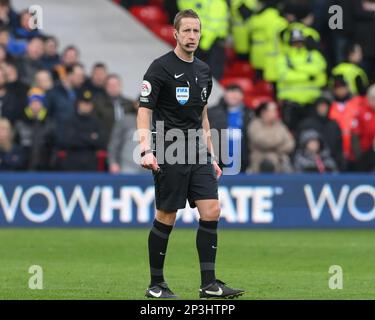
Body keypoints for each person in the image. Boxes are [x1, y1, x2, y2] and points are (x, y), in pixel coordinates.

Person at [137, 9, 244, 299]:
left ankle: (209, 285)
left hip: (197, 151)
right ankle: (156, 285)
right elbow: (144, 111)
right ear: (175, 33)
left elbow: (203, 115)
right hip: (169, 150)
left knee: (212, 210)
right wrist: (145, 149)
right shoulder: (159, 68)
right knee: (167, 216)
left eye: (196, 31)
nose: (192, 36)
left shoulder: (204, 71)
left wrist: (211, 155)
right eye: (186, 31)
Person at [277, 29, 327, 132]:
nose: (298, 44)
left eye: (300, 41)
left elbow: (320, 75)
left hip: (311, 102)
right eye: (294, 42)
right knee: (291, 132)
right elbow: (284, 75)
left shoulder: (314, 55)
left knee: (313, 131)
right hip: (291, 104)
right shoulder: (282, 57)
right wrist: (308, 76)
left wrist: (295, 68)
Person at [208, 84, 253, 172]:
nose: (234, 96)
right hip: (219, 159)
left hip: (242, 159)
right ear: (225, 95)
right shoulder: (212, 112)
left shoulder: (249, 113)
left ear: (242, 96)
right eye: (231, 93)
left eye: (236, 93)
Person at [59, 90, 105, 171]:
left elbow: (101, 142)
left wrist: (78, 135)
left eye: (88, 104)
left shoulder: (96, 122)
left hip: (91, 162)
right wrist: (90, 137)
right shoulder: (69, 121)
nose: (86, 106)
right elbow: (66, 141)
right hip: (72, 161)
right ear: (78, 104)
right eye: (83, 103)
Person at [14, 88, 56, 170]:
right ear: (29, 104)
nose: (35, 106)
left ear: (43, 104)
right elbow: (16, 144)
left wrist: (51, 164)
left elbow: (53, 146)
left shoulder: (50, 123)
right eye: (33, 102)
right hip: (22, 166)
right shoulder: (21, 123)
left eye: (38, 103)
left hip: (45, 167)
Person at [297, 97, 344, 170]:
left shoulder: (334, 125)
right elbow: (300, 146)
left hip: (330, 161)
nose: (323, 109)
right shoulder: (307, 124)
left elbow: (339, 146)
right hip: (309, 162)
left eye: (325, 106)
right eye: (320, 106)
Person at [247, 101, 295, 173]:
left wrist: (275, 147)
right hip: (260, 162)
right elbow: (263, 143)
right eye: (273, 110)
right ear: (264, 112)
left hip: (280, 162)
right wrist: (280, 139)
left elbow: (290, 143)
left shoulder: (279, 124)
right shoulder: (255, 124)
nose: (276, 113)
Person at [329, 75, 361, 170]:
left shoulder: (356, 103)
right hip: (337, 147)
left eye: (343, 88)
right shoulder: (330, 106)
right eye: (338, 88)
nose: (341, 91)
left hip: (354, 146)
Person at [93, 74, 134, 146]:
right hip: (106, 142)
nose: (113, 88)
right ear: (105, 87)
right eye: (110, 85)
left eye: (115, 85)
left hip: (126, 142)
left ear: (120, 86)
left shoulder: (129, 104)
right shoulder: (98, 104)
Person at [46, 63, 86, 128]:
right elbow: (47, 114)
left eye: (83, 76)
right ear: (70, 75)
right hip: (57, 133)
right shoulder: (54, 92)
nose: (82, 79)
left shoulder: (81, 92)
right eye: (79, 76)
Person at [356, 85, 375, 171]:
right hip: (365, 154)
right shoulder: (361, 112)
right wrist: (359, 154)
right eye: (373, 98)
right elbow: (355, 134)